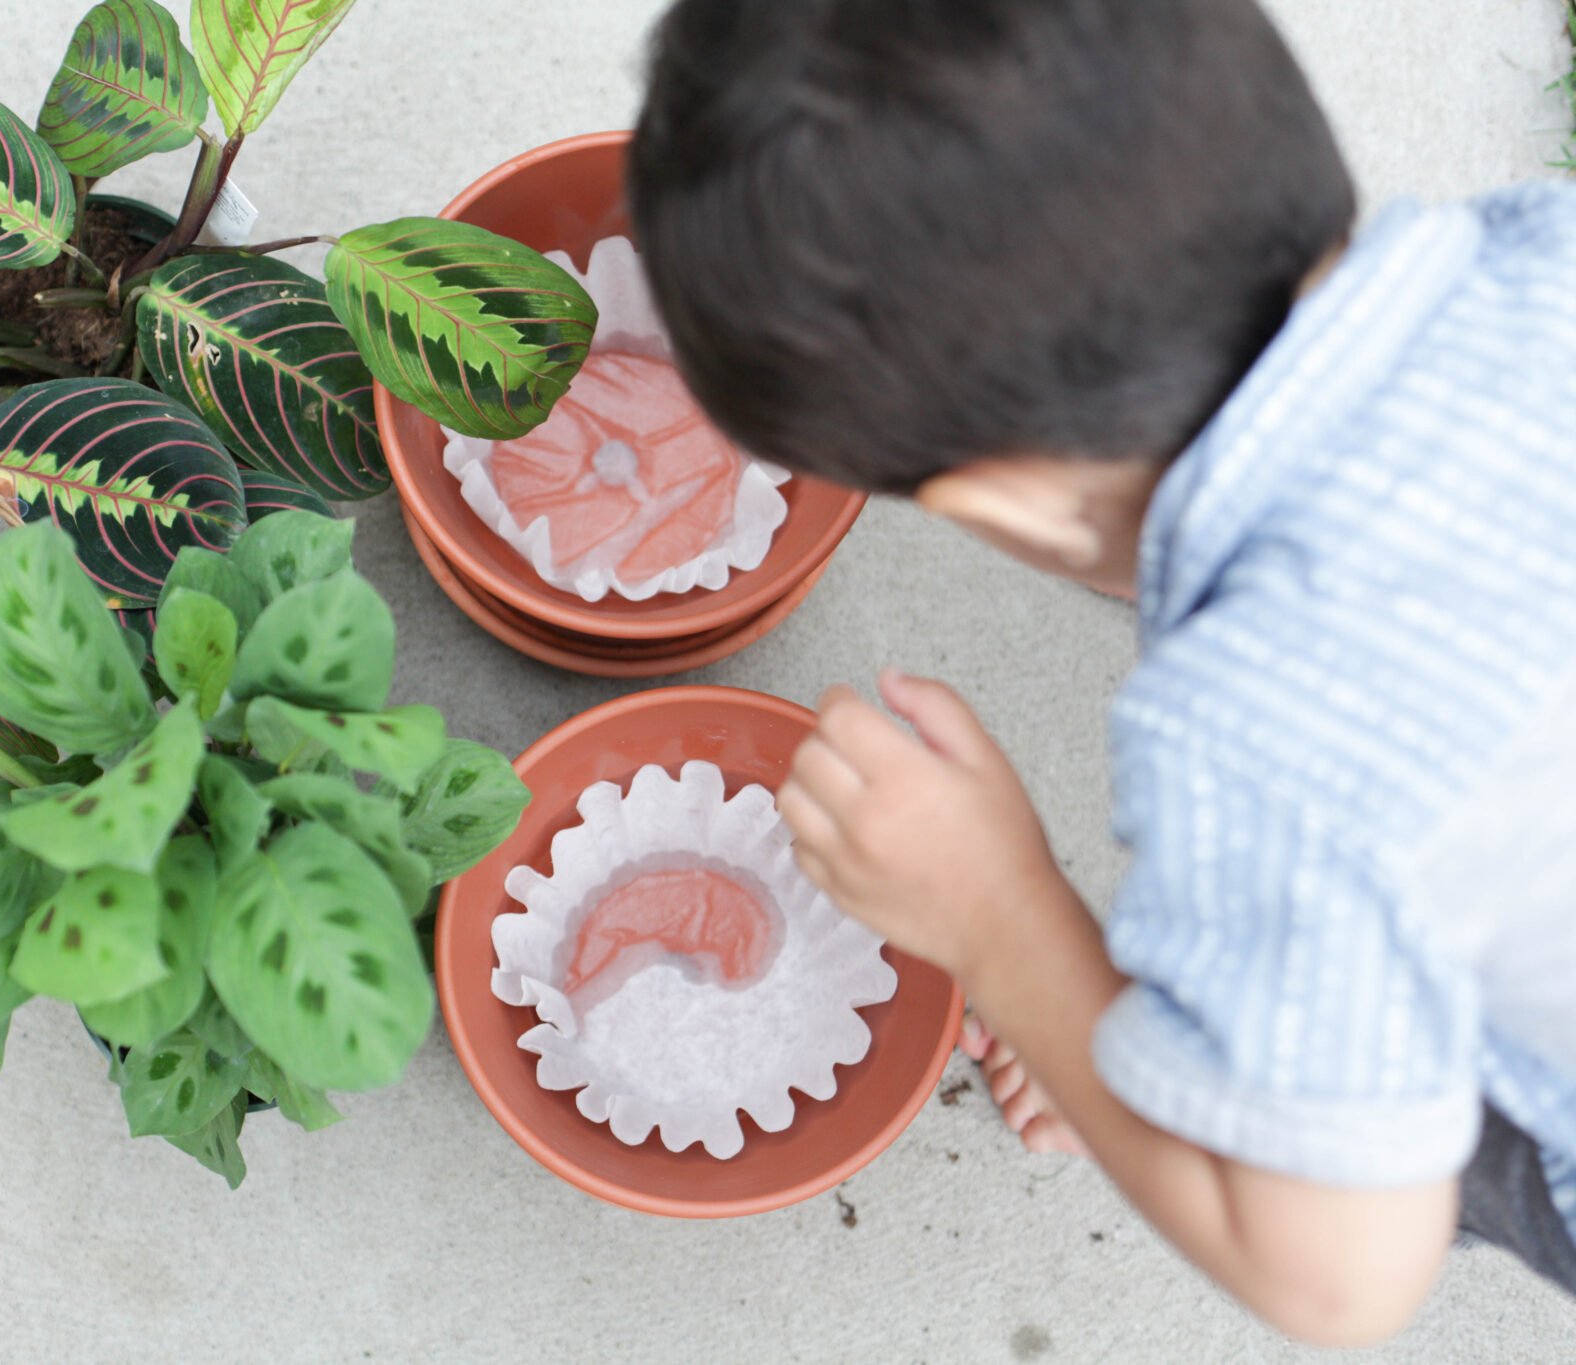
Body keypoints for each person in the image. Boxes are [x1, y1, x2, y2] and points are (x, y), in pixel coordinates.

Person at [629, 0, 1576, 1345]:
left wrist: (1008, 922)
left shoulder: (1253, 740)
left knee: (1369, 1125)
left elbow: (1339, 1271)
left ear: (1009, 508)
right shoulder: (1547, 245)